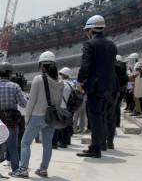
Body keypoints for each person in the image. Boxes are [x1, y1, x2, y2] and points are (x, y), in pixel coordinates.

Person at [11, 51, 64, 178]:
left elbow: (31, 102)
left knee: (25, 143)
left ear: (41, 65)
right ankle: (43, 169)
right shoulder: (61, 82)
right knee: (47, 144)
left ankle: (23, 169)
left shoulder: (38, 79)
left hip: (37, 116)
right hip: (51, 117)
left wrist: (27, 118)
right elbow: (59, 101)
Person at [75, 15, 118, 158]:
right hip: (110, 87)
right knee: (105, 117)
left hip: (95, 87)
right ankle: (102, 144)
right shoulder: (112, 45)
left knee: (95, 118)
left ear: (91, 30)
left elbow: (86, 65)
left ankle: (95, 148)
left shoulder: (89, 44)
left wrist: (80, 81)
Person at [0, 62, 27, 181]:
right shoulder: (15, 87)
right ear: (10, 73)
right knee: (13, 149)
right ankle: (15, 172)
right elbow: (23, 104)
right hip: (10, 124)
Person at [54, 67, 76, 148]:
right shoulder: (72, 84)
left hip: (62, 106)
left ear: (63, 75)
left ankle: (61, 142)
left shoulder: (62, 84)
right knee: (67, 125)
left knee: (58, 125)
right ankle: (66, 141)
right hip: (70, 107)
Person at [114, 55, 128, 128]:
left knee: (115, 106)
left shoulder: (115, 67)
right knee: (117, 105)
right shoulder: (123, 67)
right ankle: (117, 123)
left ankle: (116, 122)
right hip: (123, 88)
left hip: (117, 89)